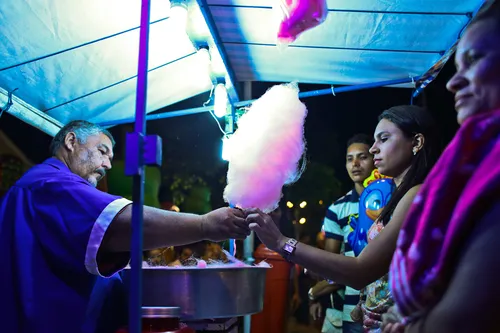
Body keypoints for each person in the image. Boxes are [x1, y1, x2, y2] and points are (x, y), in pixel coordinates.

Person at [0, 120, 250, 333]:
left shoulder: (39, 183)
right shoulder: (52, 183)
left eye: (110, 156)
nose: (108, 164)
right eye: (102, 151)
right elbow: (123, 223)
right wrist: (204, 224)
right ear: (71, 141)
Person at [246, 105, 440, 332]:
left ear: (416, 142)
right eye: (374, 141)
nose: (374, 148)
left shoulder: (416, 195)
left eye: (383, 139)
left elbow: (361, 270)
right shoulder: (394, 197)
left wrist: (281, 243)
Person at [383, 1, 500, 332]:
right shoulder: (473, 161)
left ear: (416, 142)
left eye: (474, 60)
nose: (452, 82)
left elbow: (466, 316)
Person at [309, 133, 375, 333]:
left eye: (362, 157)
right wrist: (320, 294)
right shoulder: (337, 209)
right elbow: (330, 263)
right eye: (349, 159)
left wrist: (315, 292)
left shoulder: (392, 200)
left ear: (375, 158)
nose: (355, 163)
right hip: (350, 305)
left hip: (386, 303)